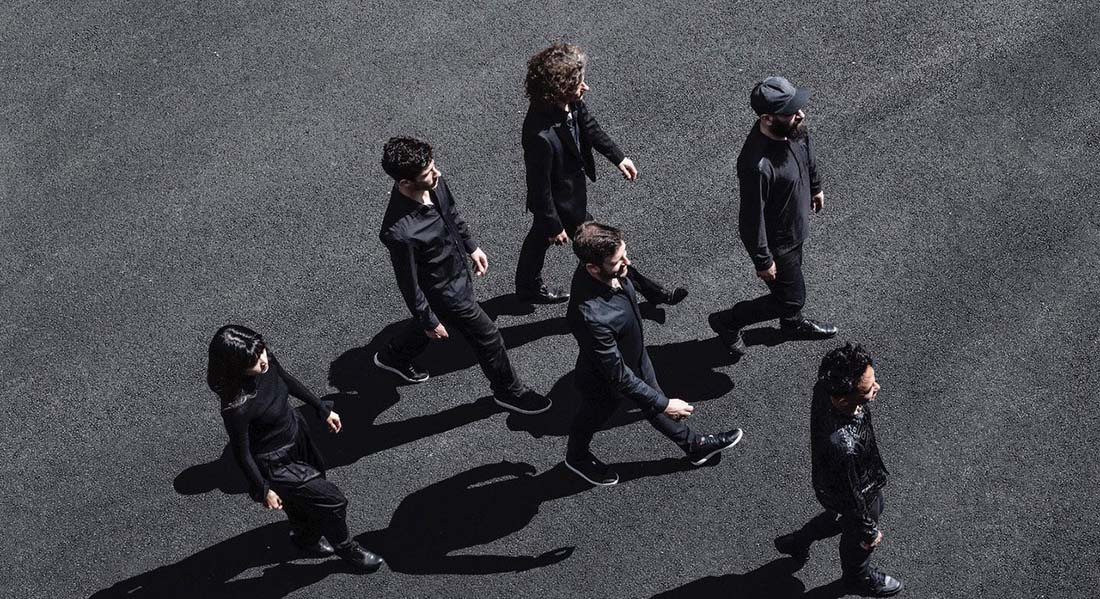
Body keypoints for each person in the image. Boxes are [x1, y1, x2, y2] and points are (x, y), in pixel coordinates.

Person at [373, 136, 551, 415]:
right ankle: (509, 392)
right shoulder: (399, 233)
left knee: (435, 323)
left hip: (457, 270)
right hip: (445, 290)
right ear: (405, 183)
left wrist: (471, 246)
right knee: (489, 337)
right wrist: (427, 318)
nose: (437, 174)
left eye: (433, 167)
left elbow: (451, 214)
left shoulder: (434, 184)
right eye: (427, 173)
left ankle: (393, 355)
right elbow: (408, 282)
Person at [564, 222, 743, 486]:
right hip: (606, 380)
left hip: (633, 358)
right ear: (592, 268)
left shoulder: (607, 269)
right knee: (594, 415)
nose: (627, 262)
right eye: (617, 262)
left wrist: (657, 293)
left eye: (624, 253)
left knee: (651, 398)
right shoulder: (591, 317)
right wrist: (664, 403)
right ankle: (576, 458)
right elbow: (618, 376)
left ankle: (695, 446)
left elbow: (628, 272)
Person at [514, 43, 687, 307]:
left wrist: (618, 157)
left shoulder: (572, 101)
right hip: (564, 204)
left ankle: (526, 287)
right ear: (558, 90)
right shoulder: (540, 136)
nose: (585, 88)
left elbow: (590, 128)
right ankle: (654, 293)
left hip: (568, 195)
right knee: (604, 249)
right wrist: (554, 223)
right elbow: (539, 187)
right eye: (578, 84)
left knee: (538, 240)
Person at [206, 324, 384, 572]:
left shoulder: (265, 360)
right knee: (334, 501)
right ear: (235, 366)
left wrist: (321, 408)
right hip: (276, 461)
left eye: (261, 352)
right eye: (253, 360)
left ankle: (305, 537)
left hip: (296, 434)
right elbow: (242, 452)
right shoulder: (236, 407)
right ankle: (346, 549)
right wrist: (263, 488)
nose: (263, 361)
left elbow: (286, 380)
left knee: (303, 496)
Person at [710, 76, 837, 359]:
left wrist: (815, 187)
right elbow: (751, 218)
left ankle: (790, 323)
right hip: (780, 242)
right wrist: (763, 260)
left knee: (789, 296)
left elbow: (807, 154)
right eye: (791, 111)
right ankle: (727, 322)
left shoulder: (793, 128)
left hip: (795, 226)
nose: (800, 114)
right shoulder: (756, 165)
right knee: (792, 298)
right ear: (767, 118)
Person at [774, 343, 903, 596]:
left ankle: (798, 541)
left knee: (836, 516)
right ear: (844, 398)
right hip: (858, 490)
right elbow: (853, 498)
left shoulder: (824, 389)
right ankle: (858, 578)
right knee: (857, 537)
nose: (877, 388)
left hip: (828, 485)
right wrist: (868, 530)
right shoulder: (845, 446)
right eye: (868, 389)